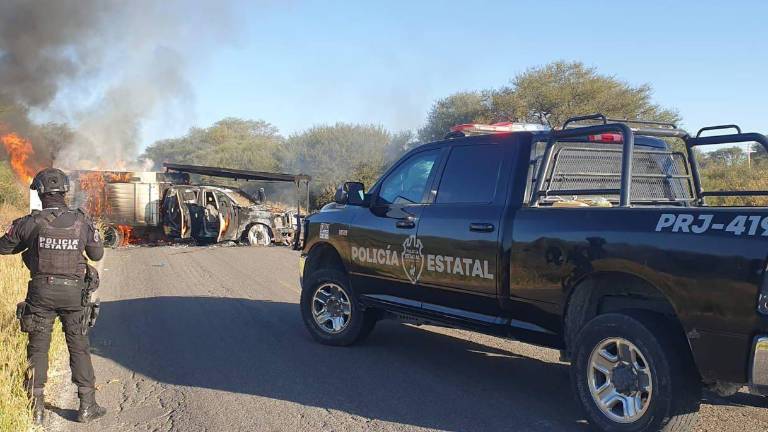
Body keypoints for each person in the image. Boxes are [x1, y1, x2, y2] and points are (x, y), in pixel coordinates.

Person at [0, 168, 107, 424]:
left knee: (38, 347)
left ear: (40, 193)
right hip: (74, 295)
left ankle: (35, 409)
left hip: (41, 294)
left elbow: (3, 247)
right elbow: (97, 254)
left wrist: (26, 241)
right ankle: (87, 405)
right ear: (65, 191)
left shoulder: (31, 222)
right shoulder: (82, 221)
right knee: (79, 346)